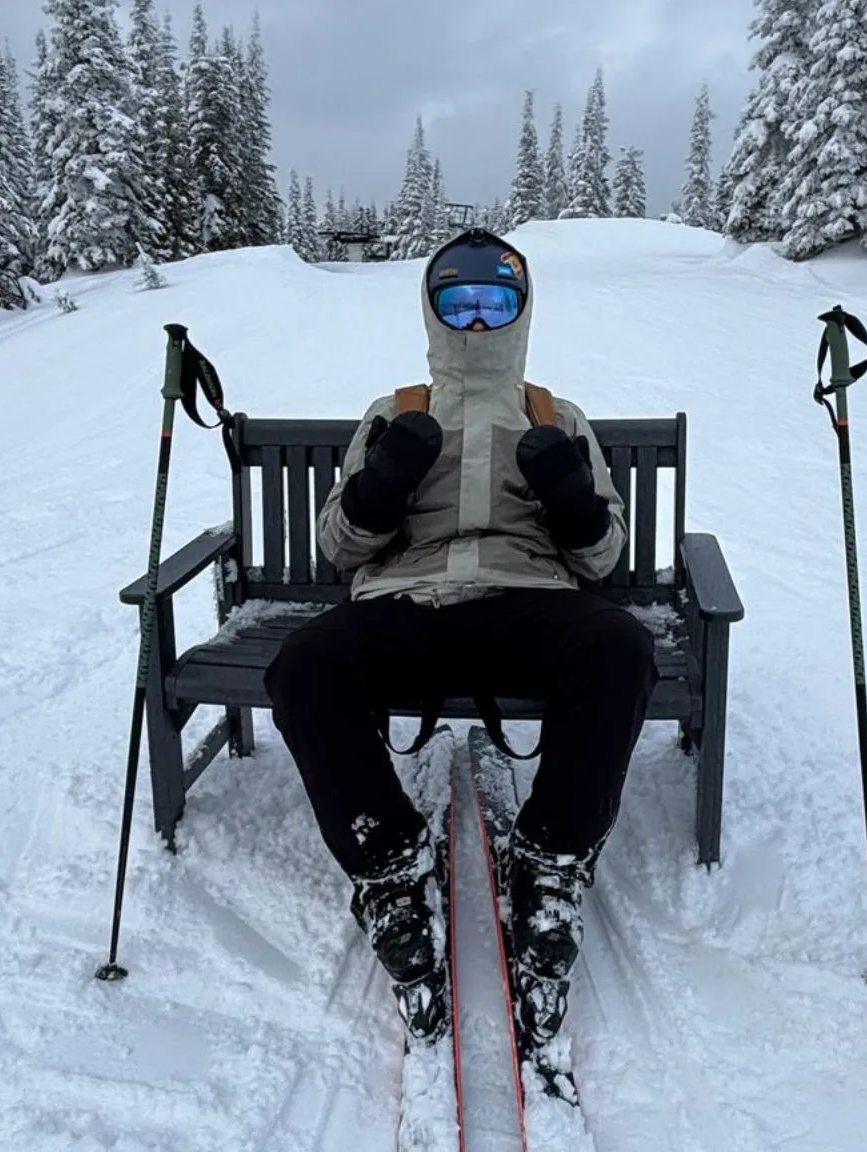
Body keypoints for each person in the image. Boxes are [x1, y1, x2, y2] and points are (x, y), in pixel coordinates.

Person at [264, 229, 657, 1045]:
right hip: (409, 603)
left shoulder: (554, 415)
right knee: (305, 667)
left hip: (528, 600)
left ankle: (550, 861)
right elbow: (339, 548)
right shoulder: (395, 412)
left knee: (618, 648)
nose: (477, 324)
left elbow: (604, 557)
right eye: (460, 304)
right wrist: (379, 489)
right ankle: (389, 866)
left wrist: (574, 500)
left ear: (520, 313)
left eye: (494, 305)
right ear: (434, 312)